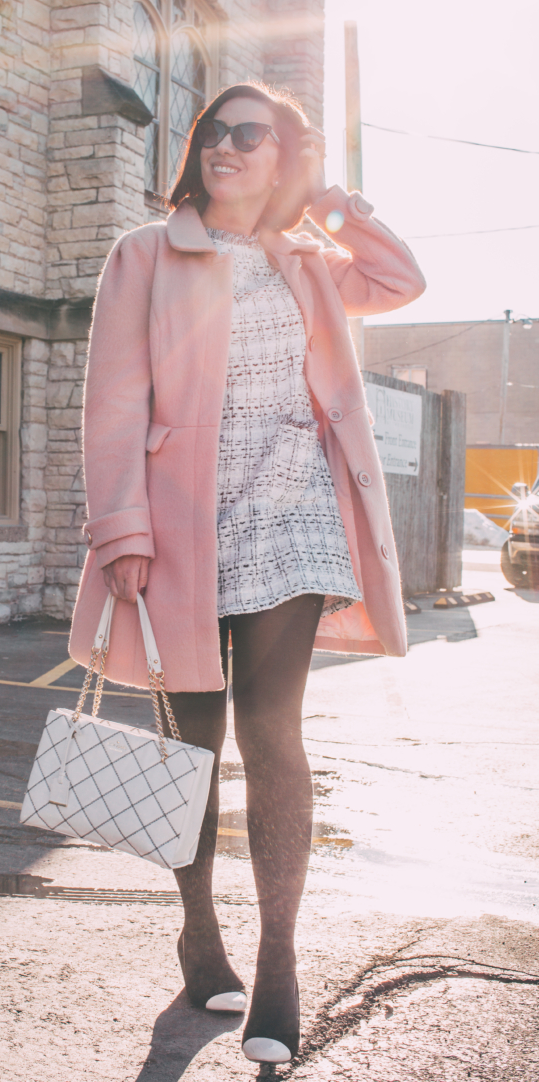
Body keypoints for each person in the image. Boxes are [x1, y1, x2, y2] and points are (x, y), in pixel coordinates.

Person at [69, 82, 425, 1064]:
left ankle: (278, 962)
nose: (225, 145)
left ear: (281, 157)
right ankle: (197, 930)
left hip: (295, 515)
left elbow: (399, 277)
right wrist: (121, 532)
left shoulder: (307, 260)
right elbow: (109, 404)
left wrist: (330, 199)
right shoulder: (143, 254)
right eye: (213, 132)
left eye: (249, 134)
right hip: (181, 525)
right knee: (190, 746)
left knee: (273, 731)